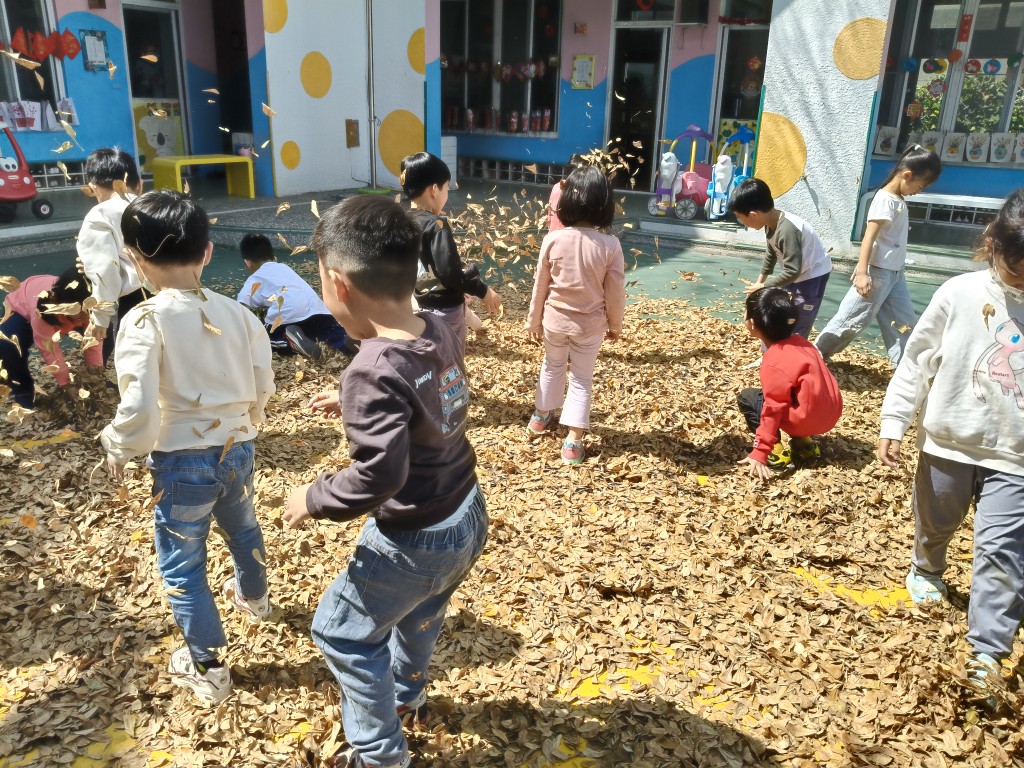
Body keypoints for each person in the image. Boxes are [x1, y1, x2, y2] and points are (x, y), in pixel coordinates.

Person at [282, 196, 488, 768]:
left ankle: (379, 755)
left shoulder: (371, 371)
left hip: (414, 537)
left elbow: (380, 474)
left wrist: (313, 497)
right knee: (420, 614)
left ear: (338, 284)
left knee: (342, 633)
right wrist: (356, 402)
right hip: (466, 511)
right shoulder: (436, 324)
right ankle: (405, 696)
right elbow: (426, 386)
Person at [100, 190, 275, 705]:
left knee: (182, 562)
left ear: (135, 258)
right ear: (207, 252)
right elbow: (263, 381)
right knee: (243, 527)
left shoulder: (144, 321)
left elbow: (138, 404)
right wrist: (250, 421)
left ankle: (208, 667)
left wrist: (118, 444)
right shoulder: (238, 313)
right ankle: (256, 599)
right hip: (237, 448)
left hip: (182, 464)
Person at [877, 188, 1024, 710]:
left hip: (1015, 456)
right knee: (936, 520)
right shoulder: (958, 293)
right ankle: (927, 565)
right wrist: (894, 420)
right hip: (948, 443)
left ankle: (988, 653)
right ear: (992, 244)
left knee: (1002, 551)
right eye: (1015, 268)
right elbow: (916, 361)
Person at [525, 165, 626, 464]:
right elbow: (615, 293)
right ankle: (573, 441)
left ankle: (540, 417)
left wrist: (533, 321)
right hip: (589, 327)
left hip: (554, 322)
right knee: (581, 379)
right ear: (604, 205)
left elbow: (540, 286)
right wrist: (615, 325)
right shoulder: (610, 246)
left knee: (551, 366)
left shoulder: (553, 240)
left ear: (565, 202)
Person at [815, 145, 942, 368]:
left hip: (895, 274)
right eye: (920, 186)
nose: (918, 191)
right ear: (907, 175)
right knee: (853, 319)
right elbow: (869, 237)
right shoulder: (885, 199)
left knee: (904, 322)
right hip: (878, 274)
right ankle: (815, 354)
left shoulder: (898, 199)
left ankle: (906, 367)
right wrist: (862, 272)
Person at [400, 151, 501, 354]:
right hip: (447, 311)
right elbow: (448, 272)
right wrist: (484, 291)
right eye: (447, 187)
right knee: (451, 357)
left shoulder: (403, 220)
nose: (447, 193)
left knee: (434, 356)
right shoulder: (437, 225)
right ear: (434, 190)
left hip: (421, 307)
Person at [737, 287, 843, 478]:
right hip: (829, 416)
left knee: (749, 397)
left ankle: (774, 451)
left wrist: (760, 450)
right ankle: (805, 445)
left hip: (804, 420)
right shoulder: (802, 343)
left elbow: (773, 408)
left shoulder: (774, 361)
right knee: (795, 394)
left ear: (751, 324)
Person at [730, 177, 832, 341]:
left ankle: (795, 352)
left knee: (799, 318)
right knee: (783, 313)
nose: (741, 221)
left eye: (740, 217)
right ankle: (777, 348)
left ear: (754, 215)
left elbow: (792, 271)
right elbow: (771, 252)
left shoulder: (787, 230)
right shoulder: (771, 222)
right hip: (797, 272)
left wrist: (763, 286)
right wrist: (759, 283)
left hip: (812, 275)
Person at [237, 233, 353, 359]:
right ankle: (344, 340)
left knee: (263, 339)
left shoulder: (255, 278)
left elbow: (241, 306)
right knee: (328, 332)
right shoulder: (284, 268)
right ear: (273, 257)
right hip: (319, 311)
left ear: (247, 263)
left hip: (289, 317)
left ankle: (290, 342)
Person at [77, 147, 145, 364]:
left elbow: (105, 269)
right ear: (139, 184)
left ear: (93, 187)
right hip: (173, 290)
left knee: (137, 361)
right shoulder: (155, 205)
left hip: (134, 300)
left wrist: (100, 316)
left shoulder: (100, 215)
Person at [0, 267, 103, 408]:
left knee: (101, 330)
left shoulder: (89, 306)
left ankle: (95, 376)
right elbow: (50, 350)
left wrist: (95, 371)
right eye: (83, 313)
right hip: (22, 310)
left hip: (67, 317)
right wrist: (66, 384)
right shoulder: (43, 312)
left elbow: (94, 340)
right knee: (7, 345)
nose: (87, 316)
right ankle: (23, 391)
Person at [547, 154, 583, 231]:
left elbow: (549, 211)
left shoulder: (557, 186)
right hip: (569, 233)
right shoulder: (578, 190)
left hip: (553, 231)